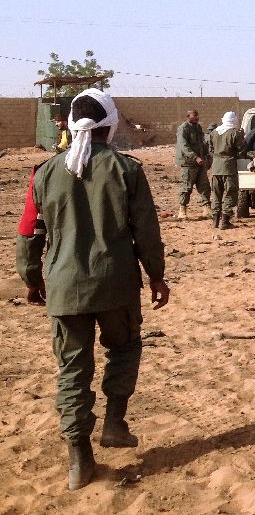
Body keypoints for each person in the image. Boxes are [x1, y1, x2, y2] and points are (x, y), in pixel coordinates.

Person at [16, 89, 168, 491]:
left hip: (65, 289)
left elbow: (30, 231)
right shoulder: (127, 170)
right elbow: (146, 232)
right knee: (125, 347)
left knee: (72, 371)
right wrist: (156, 275)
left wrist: (31, 278)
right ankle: (116, 422)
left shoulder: (44, 172)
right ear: (109, 124)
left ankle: (79, 460)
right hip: (116, 284)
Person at [209, 111, 246, 229]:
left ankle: (215, 221)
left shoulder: (214, 132)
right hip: (229, 168)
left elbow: (210, 149)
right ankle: (225, 221)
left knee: (216, 195)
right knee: (230, 193)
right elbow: (241, 149)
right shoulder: (235, 133)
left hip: (216, 168)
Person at [174, 109, 211, 220]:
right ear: (188, 116)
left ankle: (206, 208)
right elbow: (183, 146)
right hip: (188, 163)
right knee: (187, 187)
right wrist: (195, 157)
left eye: (197, 115)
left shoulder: (198, 128)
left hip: (200, 162)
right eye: (194, 115)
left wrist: (205, 155)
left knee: (204, 186)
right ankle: (182, 209)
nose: (197, 117)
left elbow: (202, 143)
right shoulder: (183, 128)